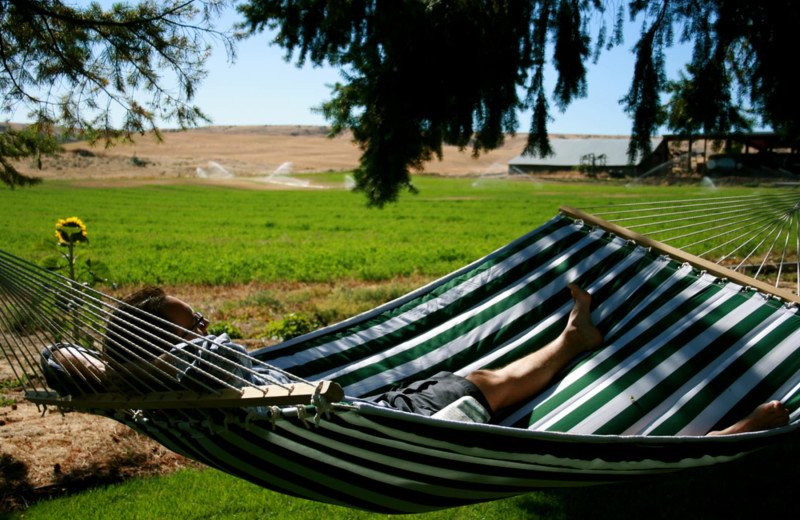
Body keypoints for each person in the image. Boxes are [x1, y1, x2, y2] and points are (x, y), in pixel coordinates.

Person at [43, 285, 791, 435]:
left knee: (478, 378)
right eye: (193, 321)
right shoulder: (196, 369)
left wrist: (109, 368)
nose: (209, 325)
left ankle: (573, 341)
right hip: (374, 433)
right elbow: (66, 359)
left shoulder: (181, 377)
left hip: (351, 410)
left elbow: (72, 360)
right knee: (495, 395)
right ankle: (729, 436)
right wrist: (115, 366)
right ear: (160, 344)